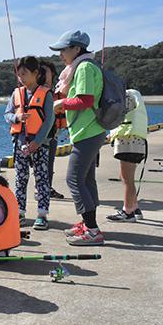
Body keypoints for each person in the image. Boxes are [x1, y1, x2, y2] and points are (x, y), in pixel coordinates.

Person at [50, 30, 106, 246]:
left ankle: (92, 231)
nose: (61, 54)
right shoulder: (86, 66)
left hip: (87, 132)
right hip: (91, 131)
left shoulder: (83, 68)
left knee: (73, 178)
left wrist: (60, 104)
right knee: (86, 179)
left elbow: (84, 100)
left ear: (76, 49)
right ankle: (89, 223)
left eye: (64, 49)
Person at [4, 56, 55, 230]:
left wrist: (38, 142)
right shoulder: (16, 93)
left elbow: (49, 121)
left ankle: (42, 214)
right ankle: (19, 212)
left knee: (41, 178)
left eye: (24, 73)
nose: (21, 78)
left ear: (35, 73)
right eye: (19, 74)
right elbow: (7, 115)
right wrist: (16, 117)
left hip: (39, 144)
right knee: (20, 178)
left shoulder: (46, 94)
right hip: (19, 143)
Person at [107, 89, 148, 222]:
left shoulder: (124, 96)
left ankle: (127, 212)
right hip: (137, 141)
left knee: (127, 180)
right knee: (126, 177)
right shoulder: (135, 96)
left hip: (128, 140)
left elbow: (118, 116)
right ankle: (134, 207)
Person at [38, 60, 66, 199]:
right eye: (40, 71)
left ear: (53, 74)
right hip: (36, 135)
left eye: (46, 71)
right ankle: (42, 189)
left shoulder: (58, 92)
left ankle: (46, 188)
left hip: (53, 134)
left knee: (49, 163)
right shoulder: (33, 92)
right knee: (39, 164)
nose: (43, 74)